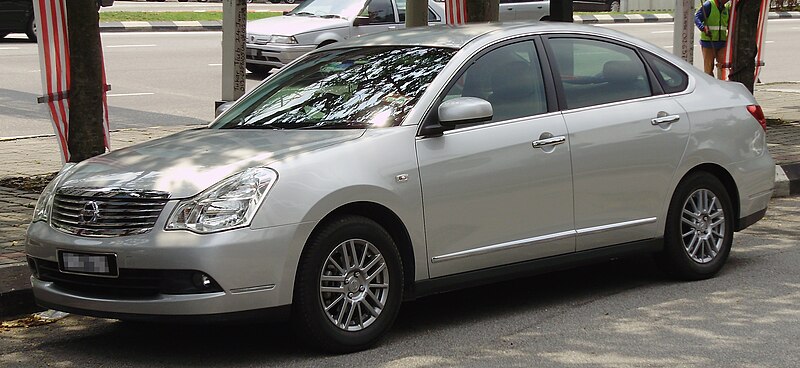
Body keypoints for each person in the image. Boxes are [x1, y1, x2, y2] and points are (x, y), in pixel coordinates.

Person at [695, 0, 731, 79]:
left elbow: (729, 22)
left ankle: (722, 85)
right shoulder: (709, 5)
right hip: (708, 42)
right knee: (708, 68)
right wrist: (703, 28)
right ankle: (710, 86)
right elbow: (697, 18)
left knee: (722, 66)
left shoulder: (727, 7)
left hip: (722, 42)